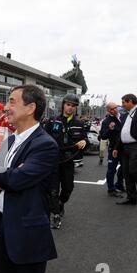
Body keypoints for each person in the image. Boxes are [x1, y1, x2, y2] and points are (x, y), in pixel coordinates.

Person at [0, 84, 58, 273]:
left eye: (12, 101)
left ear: (30, 107)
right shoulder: (10, 139)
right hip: (2, 223)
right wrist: (5, 173)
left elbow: (15, 180)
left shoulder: (45, 144)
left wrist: (4, 174)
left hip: (27, 229)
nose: (6, 107)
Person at [45, 94, 87, 229]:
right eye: (68, 104)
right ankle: (55, 215)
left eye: (73, 106)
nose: (70, 108)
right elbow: (43, 138)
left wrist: (84, 141)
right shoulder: (52, 121)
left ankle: (61, 203)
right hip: (53, 161)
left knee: (68, 188)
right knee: (53, 191)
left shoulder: (79, 124)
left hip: (68, 161)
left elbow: (84, 139)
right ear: (63, 104)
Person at [100, 102, 125, 197]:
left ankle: (119, 184)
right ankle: (111, 189)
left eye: (115, 107)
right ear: (108, 110)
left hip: (125, 147)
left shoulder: (124, 117)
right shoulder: (106, 121)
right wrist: (110, 129)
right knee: (111, 169)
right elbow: (103, 136)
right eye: (111, 109)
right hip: (113, 148)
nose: (114, 110)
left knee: (124, 168)